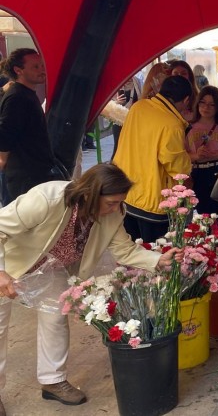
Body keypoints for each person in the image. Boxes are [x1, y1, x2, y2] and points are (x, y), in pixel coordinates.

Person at [0, 163, 182, 412]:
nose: (116, 209)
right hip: (9, 262)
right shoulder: (47, 198)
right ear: (90, 194)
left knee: (55, 318)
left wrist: (157, 260)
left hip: (51, 267)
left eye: (119, 202)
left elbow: (124, 250)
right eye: (110, 203)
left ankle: (53, 381)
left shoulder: (113, 213)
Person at [112, 75, 193, 242]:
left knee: (132, 255)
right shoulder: (171, 124)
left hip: (126, 193)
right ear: (186, 100)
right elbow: (178, 169)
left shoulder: (138, 107)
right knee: (155, 257)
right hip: (153, 202)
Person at [0, 48, 55, 201]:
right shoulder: (17, 97)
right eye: (35, 67)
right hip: (24, 176)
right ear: (19, 70)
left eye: (42, 65)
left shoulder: (26, 93)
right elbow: (5, 135)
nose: (41, 70)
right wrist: (3, 160)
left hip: (33, 172)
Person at [185, 86, 218, 215]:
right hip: (197, 174)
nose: (206, 107)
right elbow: (179, 155)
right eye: (203, 102)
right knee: (201, 216)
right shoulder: (187, 127)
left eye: (212, 104)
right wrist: (196, 156)